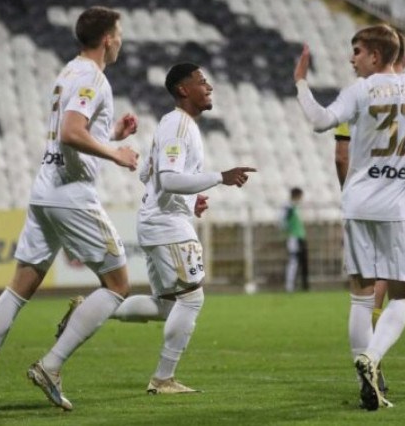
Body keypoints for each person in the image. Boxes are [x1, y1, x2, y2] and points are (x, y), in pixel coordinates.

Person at [0, 6, 139, 417]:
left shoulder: (68, 72)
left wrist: (111, 134)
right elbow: (71, 132)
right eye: (120, 33)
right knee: (117, 284)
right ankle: (51, 366)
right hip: (71, 195)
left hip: (45, 190)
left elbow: (73, 134)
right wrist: (117, 153)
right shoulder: (93, 77)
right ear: (108, 38)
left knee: (19, 287)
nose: (121, 40)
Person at [294, 24, 405, 410]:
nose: (352, 59)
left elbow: (319, 121)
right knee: (403, 296)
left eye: (357, 52)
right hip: (399, 206)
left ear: (376, 56)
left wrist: (301, 84)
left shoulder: (361, 91)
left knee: (361, 297)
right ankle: (372, 358)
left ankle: (369, 375)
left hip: (358, 203)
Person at [56, 63, 256, 395]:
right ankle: (163, 378)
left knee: (167, 305)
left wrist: (192, 204)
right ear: (183, 90)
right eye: (201, 82)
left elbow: (148, 176)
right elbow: (169, 179)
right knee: (192, 300)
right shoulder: (178, 125)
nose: (209, 88)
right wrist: (222, 176)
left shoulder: (173, 124)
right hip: (167, 226)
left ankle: (89, 312)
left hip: (159, 220)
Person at [282, 187, 309, 292]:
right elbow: (283, 222)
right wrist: (288, 232)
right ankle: (289, 286)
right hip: (293, 237)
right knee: (293, 261)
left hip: (300, 236)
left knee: (302, 262)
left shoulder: (296, 207)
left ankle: (303, 286)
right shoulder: (289, 207)